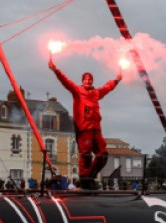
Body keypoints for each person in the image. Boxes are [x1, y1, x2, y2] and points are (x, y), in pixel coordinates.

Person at [48, 58, 122, 190]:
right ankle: (85, 178)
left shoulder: (96, 93)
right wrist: (56, 70)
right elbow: (66, 82)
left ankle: (90, 177)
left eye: (90, 79)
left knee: (103, 154)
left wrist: (117, 79)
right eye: (86, 79)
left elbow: (107, 87)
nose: (88, 81)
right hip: (84, 129)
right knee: (86, 155)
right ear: (82, 81)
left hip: (96, 129)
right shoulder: (77, 91)